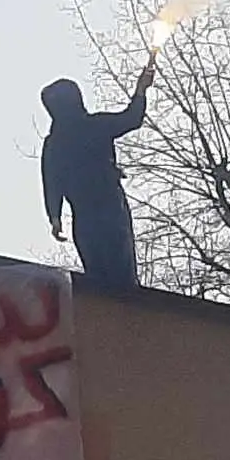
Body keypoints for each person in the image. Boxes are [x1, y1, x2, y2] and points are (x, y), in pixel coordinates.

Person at [41, 59, 155, 290]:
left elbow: (51, 180)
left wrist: (55, 216)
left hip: (87, 214)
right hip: (107, 208)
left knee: (98, 275)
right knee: (121, 273)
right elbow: (131, 118)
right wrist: (140, 91)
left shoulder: (55, 142)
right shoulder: (93, 126)